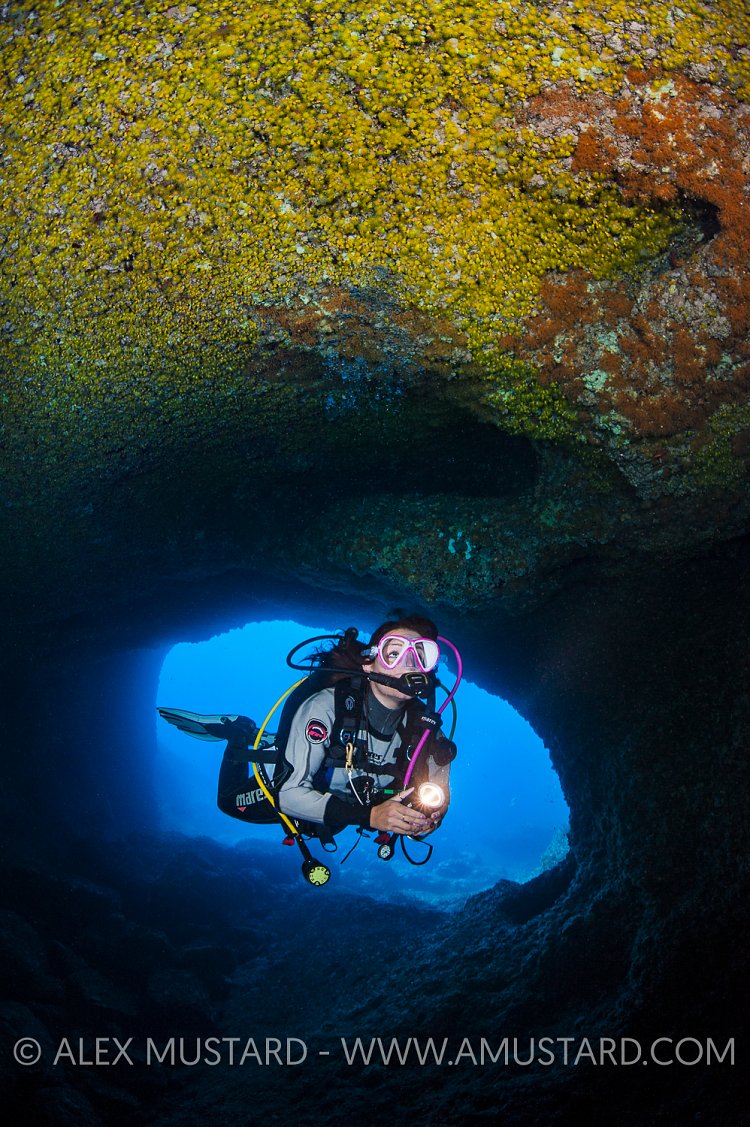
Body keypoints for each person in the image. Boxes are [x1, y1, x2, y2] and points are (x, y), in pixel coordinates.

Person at [275, 614, 455, 841]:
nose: (409, 664)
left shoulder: (427, 730)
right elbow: (289, 794)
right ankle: (238, 734)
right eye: (393, 654)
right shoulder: (327, 706)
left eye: (420, 656)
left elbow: (437, 800)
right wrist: (371, 816)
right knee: (229, 802)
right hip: (315, 801)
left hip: (354, 808)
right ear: (368, 664)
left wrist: (427, 821)